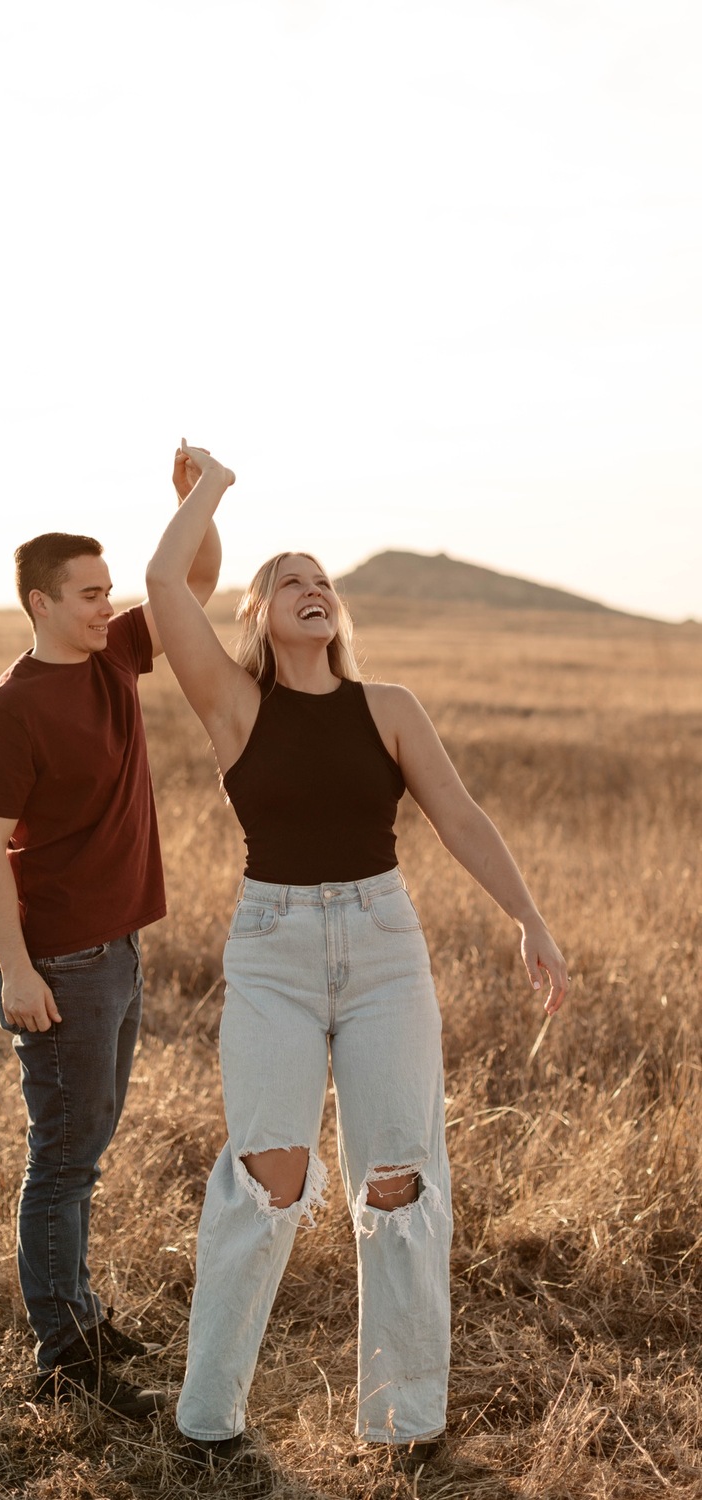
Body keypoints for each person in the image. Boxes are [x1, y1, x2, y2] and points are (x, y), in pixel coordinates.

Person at [145, 444, 568, 1463]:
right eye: (288, 581)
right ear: (255, 616)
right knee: (268, 1178)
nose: (311, 590)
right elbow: (162, 585)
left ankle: (404, 1425)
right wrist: (209, 492)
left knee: (399, 1179)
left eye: (323, 581)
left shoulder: (390, 709)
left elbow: (458, 815)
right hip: (273, 952)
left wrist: (528, 917)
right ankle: (209, 1423)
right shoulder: (236, 708)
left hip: (383, 948)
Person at [0, 451, 221, 1420]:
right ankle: (63, 1351)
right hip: (61, 963)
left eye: (108, 591)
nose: (105, 606)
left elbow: (193, 581)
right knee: (63, 1158)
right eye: (86, 595)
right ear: (37, 602)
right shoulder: (8, 710)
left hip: (117, 948)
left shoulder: (113, 655)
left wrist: (194, 501)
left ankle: (78, 1312)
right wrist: (16, 971)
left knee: (86, 1146)